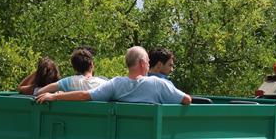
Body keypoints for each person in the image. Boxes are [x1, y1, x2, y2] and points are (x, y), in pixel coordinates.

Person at [36, 46, 192, 105]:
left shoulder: (116, 84)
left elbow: (85, 95)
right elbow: (186, 100)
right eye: (149, 62)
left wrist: (55, 97)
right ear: (143, 63)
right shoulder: (159, 84)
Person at [35, 47, 108, 95]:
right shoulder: (104, 83)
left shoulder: (68, 82)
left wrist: (55, 94)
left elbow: (39, 92)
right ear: (91, 65)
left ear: (74, 68)